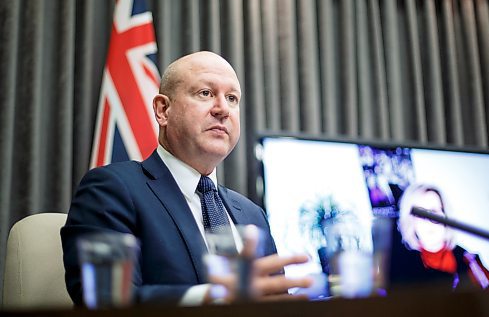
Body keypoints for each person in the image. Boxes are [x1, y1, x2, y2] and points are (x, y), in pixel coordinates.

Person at [61, 51, 312, 306]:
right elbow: (106, 300)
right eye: (205, 93)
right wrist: (213, 298)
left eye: (232, 98)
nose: (223, 109)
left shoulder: (252, 214)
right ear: (163, 110)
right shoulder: (111, 189)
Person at [394, 183, 489, 292]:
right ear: (411, 222)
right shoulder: (401, 270)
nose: (429, 221)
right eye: (421, 214)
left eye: (434, 212)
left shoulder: (469, 262)